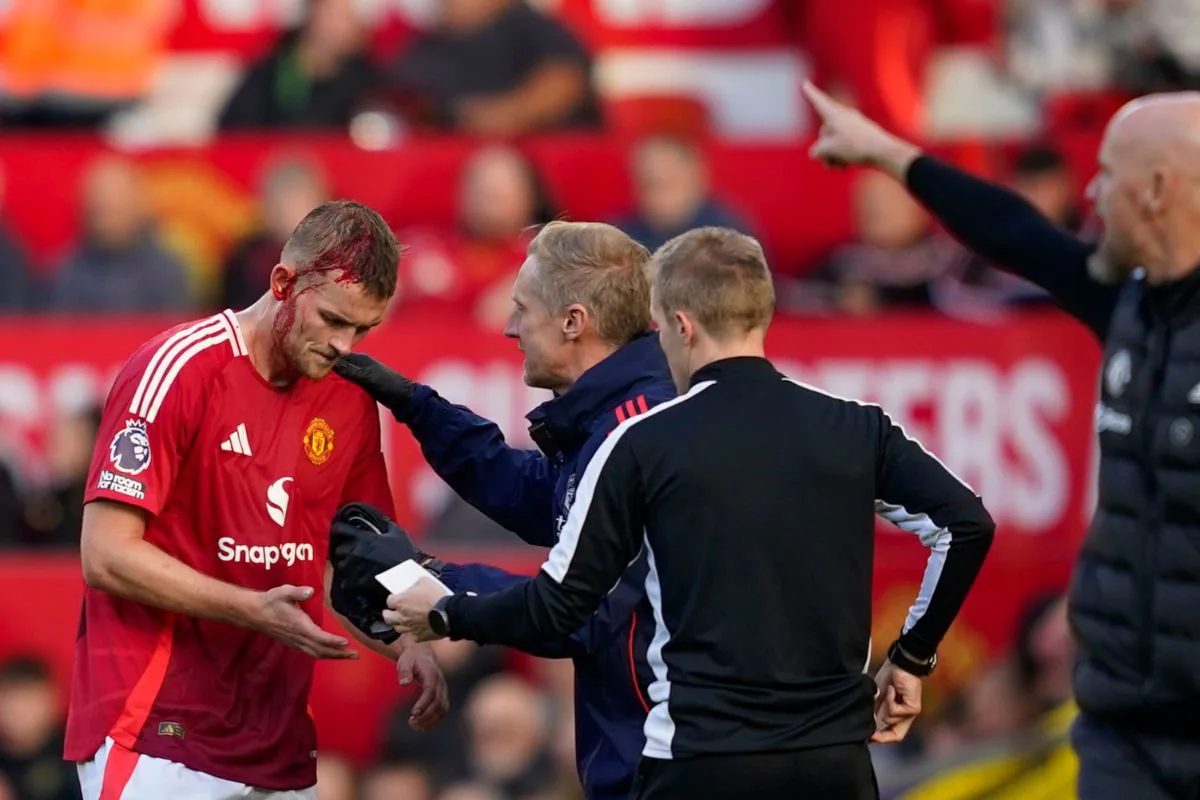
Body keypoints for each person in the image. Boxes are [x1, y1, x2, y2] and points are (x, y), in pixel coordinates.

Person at [382, 226, 996, 799]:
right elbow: (967, 524)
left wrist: (444, 609)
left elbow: (561, 606)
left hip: (701, 761)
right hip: (835, 759)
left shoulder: (643, 444)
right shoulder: (858, 426)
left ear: (680, 325)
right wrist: (913, 656)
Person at [802, 81, 1200, 800]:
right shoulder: (1129, 305)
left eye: (1109, 174)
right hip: (1119, 722)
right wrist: (888, 154)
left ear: (1159, 189)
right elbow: (1017, 234)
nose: (1091, 191)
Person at [66, 200, 449, 800]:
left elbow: (345, 561)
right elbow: (106, 555)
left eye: (363, 329)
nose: (346, 344)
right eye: (332, 320)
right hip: (156, 730)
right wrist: (250, 608)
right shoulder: (178, 369)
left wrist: (407, 644)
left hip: (276, 741)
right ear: (282, 283)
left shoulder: (348, 399)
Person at [332, 220, 678, 800]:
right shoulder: (623, 417)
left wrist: (427, 578)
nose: (509, 326)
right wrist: (418, 407)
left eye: (523, 308)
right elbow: (545, 499)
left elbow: (577, 607)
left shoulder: (636, 434)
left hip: (664, 758)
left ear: (573, 322)